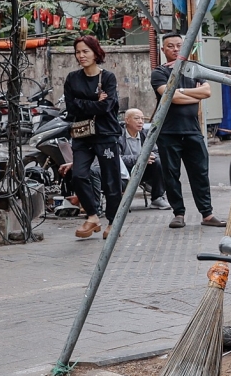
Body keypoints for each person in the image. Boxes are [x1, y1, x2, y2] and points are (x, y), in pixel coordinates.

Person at [151, 33, 225, 229]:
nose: (175, 49)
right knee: (171, 174)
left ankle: (207, 214)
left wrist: (180, 92)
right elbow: (170, 97)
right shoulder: (158, 73)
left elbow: (207, 92)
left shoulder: (195, 70)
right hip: (168, 132)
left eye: (179, 46)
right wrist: (193, 95)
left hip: (192, 130)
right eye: (170, 46)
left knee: (200, 173)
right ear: (163, 50)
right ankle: (178, 213)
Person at [65, 35, 123, 240]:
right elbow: (71, 107)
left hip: (106, 134)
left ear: (96, 52)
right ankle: (92, 217)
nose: (81, 56)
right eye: (78, 52)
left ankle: (113, 223)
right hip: (81, 133)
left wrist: (87, 103)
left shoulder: (107, 78)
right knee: (78, 175)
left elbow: (107, 106)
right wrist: (94, 101)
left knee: (111, 181)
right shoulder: (72, 78)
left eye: (85, 51)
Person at [121, 108, 170, 210]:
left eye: (143, 119)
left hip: (143, 170)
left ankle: (157, 198)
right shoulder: (118, 135)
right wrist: (140, 159)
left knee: (159, 162)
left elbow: (156, 152)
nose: (140, 121)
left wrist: (150, 157)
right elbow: (117, 158)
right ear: (127, 120)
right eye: (137, 118)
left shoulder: (146, 134)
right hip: (125, 170)